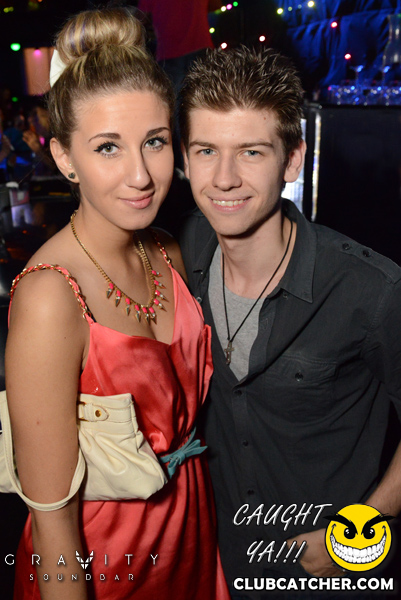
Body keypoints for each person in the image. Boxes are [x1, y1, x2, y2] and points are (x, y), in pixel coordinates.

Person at [5, 8, 229, 600]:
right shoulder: (50, 297)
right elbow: (52, 520)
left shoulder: (167, 250)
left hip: (191, 533)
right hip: (106, 563)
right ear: (64, 158)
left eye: (154, 142)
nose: (141, 175)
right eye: (108, 147)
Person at [179, 46, 401, 598]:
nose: (224, 178)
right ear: (185, 159)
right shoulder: (181, 254)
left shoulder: (369, 289)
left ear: (293, 159)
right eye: (206, 151)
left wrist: (356, 532)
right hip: (219, 564)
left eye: (251, 152)